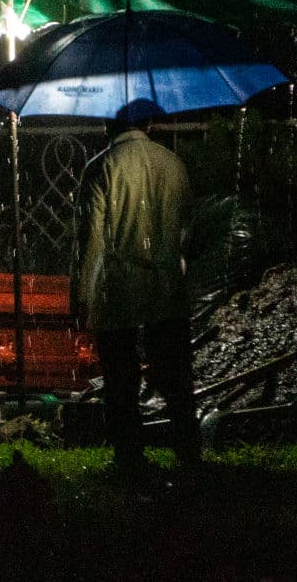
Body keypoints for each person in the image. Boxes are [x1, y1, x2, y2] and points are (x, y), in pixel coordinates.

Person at [72, 112, 200, 480]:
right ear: (150, 124)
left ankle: (130, 455)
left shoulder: (100, 168)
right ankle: (187, 451)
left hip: (120, 289)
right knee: (176, 374)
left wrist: (82, 293)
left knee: (121, 377)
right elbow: (186, 230)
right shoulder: (174, 164)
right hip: (166, 286)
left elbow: (91, 239)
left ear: (106, 126)